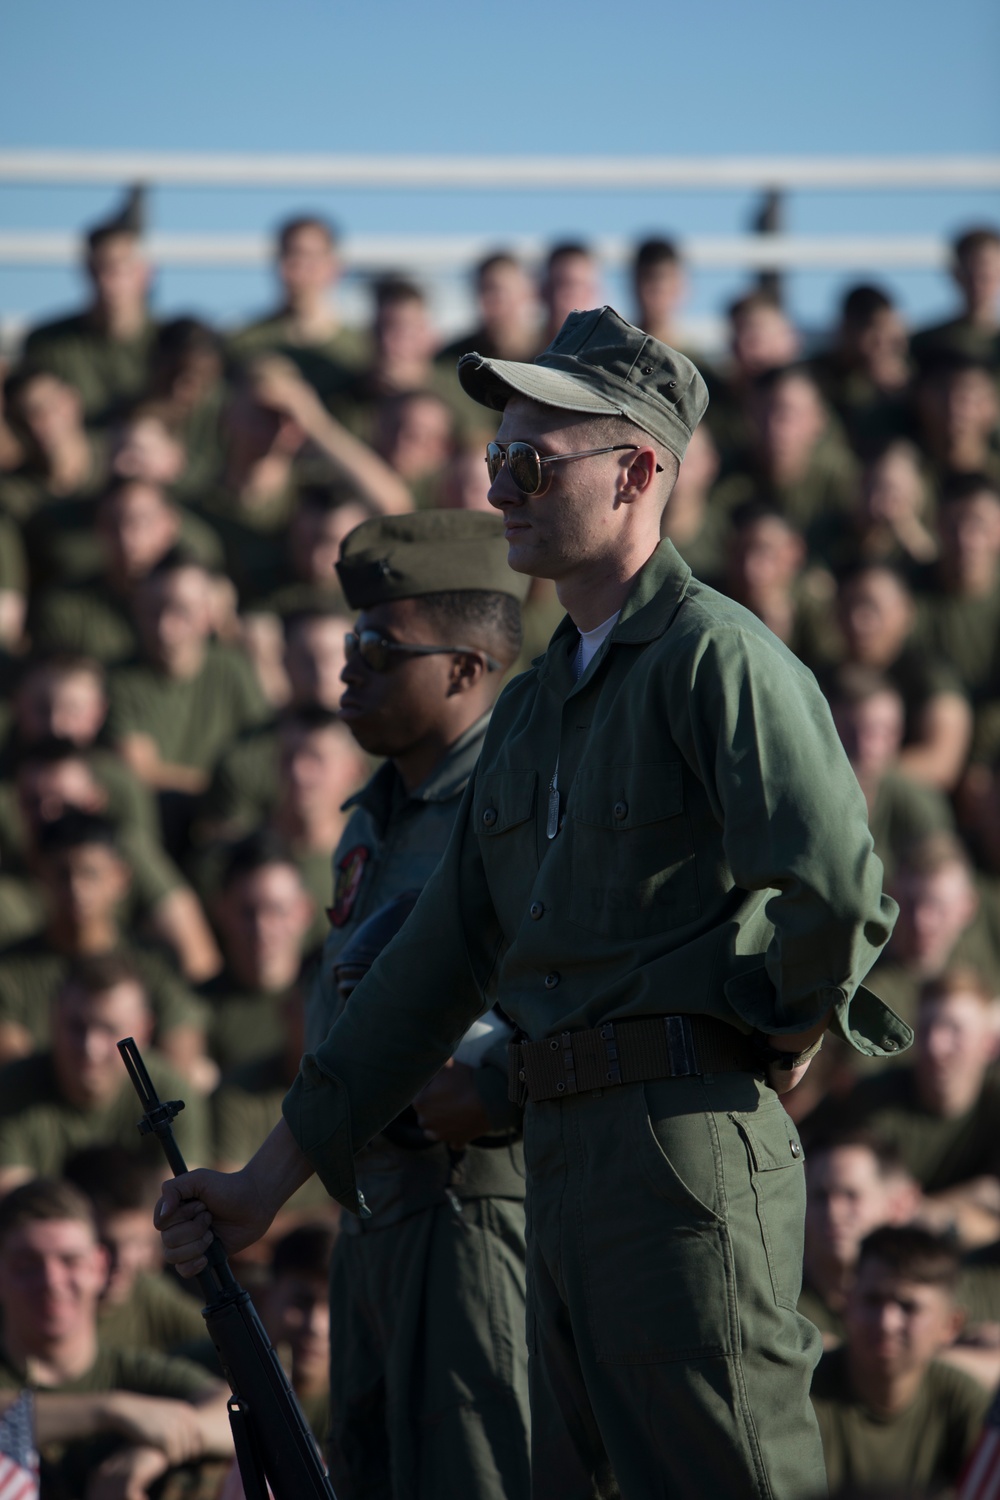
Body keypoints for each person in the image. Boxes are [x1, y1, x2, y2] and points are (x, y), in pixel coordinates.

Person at [156, 308, 903, 1499]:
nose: (498, 491)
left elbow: (838, 887)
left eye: (527, 463)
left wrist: (783, 1020)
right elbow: (427, 970)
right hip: (559, 1162)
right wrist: (262, 1182)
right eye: (493, 463)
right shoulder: (535, 708)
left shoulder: (716, 658)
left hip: (681, 1151)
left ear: (638, 472)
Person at [301, 509, 532, 1498]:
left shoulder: (521, 809)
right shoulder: (378, 812)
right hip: (376, 1220)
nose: (347, 666)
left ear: (466, 667)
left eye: (376, 647)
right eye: (348, 643)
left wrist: (497, 1084)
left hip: (474, 1214)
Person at [0, 1177, 232, 1500]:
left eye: (70, 1261)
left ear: (100, 1266)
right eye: (27, 1266)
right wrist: (111, 1411)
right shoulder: (123, 1402)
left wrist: (153, 1453)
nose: (51, 1281)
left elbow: (233, 1411)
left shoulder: (130, 1372)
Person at [0, 954, 210, 1195]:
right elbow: (11, 1206)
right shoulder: (11, 1089)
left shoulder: (170, 1094)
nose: (90, 1047)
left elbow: (184, 1200)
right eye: (76, 1027)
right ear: (54, 1019)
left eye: (109, 1029)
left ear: (144, 1030)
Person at [809, 1226, 990, 1497]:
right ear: (848, 1303)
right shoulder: (806, 1393)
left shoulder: (960, 1399)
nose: (886, 1323)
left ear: (951, 1324)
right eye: (873, 1300)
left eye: (909, 1307)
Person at [844, 967, 1000, 1247]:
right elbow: (874, 1206)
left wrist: (923, 1208)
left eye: (955, 1030)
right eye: (926, 1029)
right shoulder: (875, 1101)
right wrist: (971, 1199)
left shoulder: (993, 1101)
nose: (936, 1045)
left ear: (988, 1044)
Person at [20, 215, 158, 429]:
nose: (106, 280)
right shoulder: (49, 345)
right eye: (98, 268)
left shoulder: (170, 345)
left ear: (145, 272)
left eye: (118, 268)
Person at [800, 1129, 918, 1342]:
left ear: (899, 1205)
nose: (833, 1212)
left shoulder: (923, 1297)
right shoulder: (777, 1301)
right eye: (820, 1196)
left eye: (851, 1195)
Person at [912, 225, 1000, 372]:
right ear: (956, 274)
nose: (977, 282)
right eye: (970, 273)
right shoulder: (929, 344)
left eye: (985, 273)